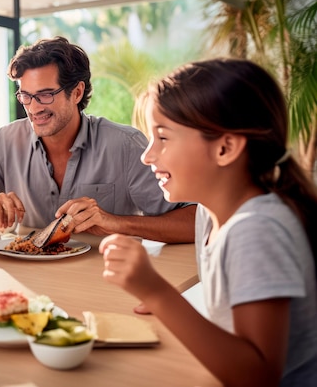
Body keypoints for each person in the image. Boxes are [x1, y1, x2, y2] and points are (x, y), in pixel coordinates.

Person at [100, 58, 317, 386]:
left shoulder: (257, 230)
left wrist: (158, 292)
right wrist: (170, 307)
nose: (147, 156)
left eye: (162, 138)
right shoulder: (208, 214)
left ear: (225, 148)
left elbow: (257, 376)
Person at [0, 36, 195, 243]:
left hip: (107, 281)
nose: (33, 108)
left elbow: (194, 221)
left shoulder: (125, 145)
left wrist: (114, 222)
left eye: (46, 95)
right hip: (29, 283)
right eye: (26, 96)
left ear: (77, 92)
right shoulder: (7, 140)